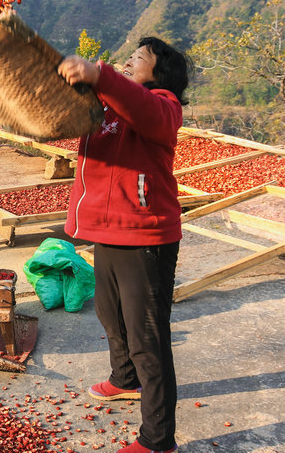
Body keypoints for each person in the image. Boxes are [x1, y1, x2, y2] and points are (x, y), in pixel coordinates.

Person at [57, 36, 190, 453]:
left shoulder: (163, 106)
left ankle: (157, 439)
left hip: (144, 234)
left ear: (161, 72)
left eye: (140, 58)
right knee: (109, 313)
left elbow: (147, 111)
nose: (130, 61)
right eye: (128, 57)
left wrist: (104, 77)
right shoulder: (112, 107)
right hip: (107, 230)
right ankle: (125, 379)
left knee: (146, 337)